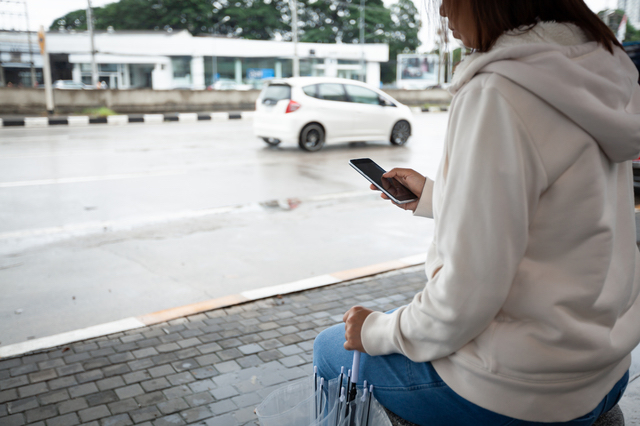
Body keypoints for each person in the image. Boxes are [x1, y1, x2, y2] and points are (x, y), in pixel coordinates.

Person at [313, 0, 640, 425]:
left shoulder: (497, 91)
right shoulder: (599, 72)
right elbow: (558, 211)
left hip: (522, 386)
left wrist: (376, 331)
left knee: (329, 348)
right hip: (604, 367)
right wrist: (436, 197)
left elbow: (466, 295)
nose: (444, 12)